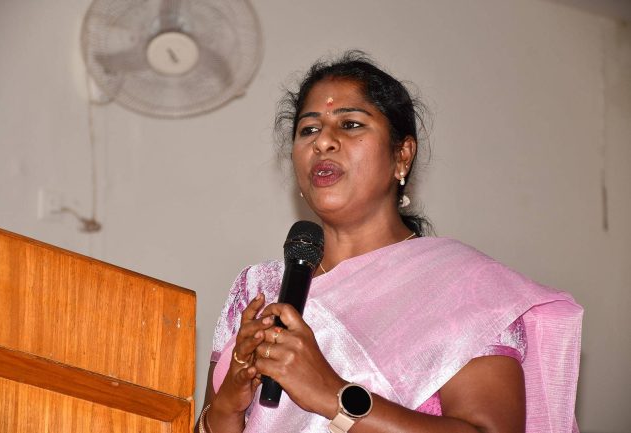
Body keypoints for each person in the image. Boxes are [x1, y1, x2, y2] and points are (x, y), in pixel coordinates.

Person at [196, 51, 582, 433]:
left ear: (402, 155)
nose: (323, 142)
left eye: (350, 124)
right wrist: (228, 404)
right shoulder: (258, 289)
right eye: (308, 130)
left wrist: (331, 394)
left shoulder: (464, 289)